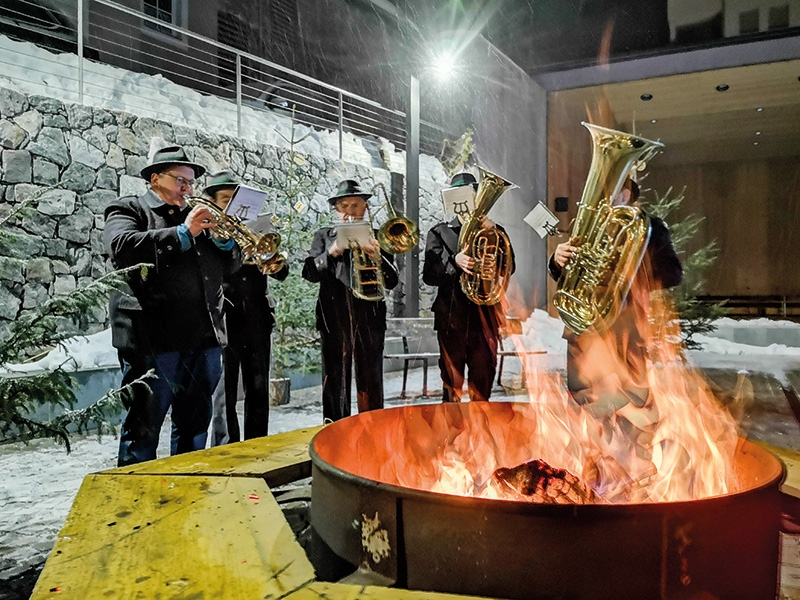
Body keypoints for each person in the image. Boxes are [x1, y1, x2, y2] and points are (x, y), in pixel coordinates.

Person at [104, 145, 241, 466]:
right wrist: (183, 232)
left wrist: (224, 243)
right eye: (181, 180)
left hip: (202, 338)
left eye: (190, 183)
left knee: (195, 426)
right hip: (153, 340)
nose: (187, 189)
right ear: (155, 179)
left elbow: (230, 268)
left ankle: (187, 488)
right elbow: (121, 248)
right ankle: (136, 493)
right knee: (143, 427)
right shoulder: (129, 209)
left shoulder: (199, 217)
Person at [548, 177, 683, 411]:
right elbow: (570, 277)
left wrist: (629, 270)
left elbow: (674, 273)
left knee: (631, 403)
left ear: (625, 195)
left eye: (607, 191)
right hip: (584, 327)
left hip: (627, 329)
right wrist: (557, 261)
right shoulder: (589, 224)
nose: (600, 198)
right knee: (582, 402)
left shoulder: (651, 228)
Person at [302, 179, 399, 422]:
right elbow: (310, 273)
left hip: (370, 320)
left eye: (355, 205)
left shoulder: (378, 237)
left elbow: (392, 281)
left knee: (371, 381)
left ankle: (372, 429)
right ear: (336, 209)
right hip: (333, 319)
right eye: (343, 206)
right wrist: (334, 250)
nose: (349, 211)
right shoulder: (324, 236)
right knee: (335, 381)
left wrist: (377, 257)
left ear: (365, 207)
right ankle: (334, 431)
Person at [203, 171, 289, 445]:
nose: (232, 207)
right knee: (224, 392)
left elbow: (281, 273)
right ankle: (225, 448)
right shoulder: (206, 233)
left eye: (236, 200)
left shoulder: (256, 230)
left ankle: (257, 445)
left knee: (258, 387)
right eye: (225, 200)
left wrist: (266, 254)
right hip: (224, 319)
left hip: (257, 317)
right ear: (214, 203)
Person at [422, 171, 516, 403]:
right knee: (451, 382)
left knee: (483, 379)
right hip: (451, 317)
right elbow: (430, 276)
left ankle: (480, 423)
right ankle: (452, 425)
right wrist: (454, 261)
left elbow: (509, 268)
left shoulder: (495, 231)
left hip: (485, 316)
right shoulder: (439, 232)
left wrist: (493, 234)